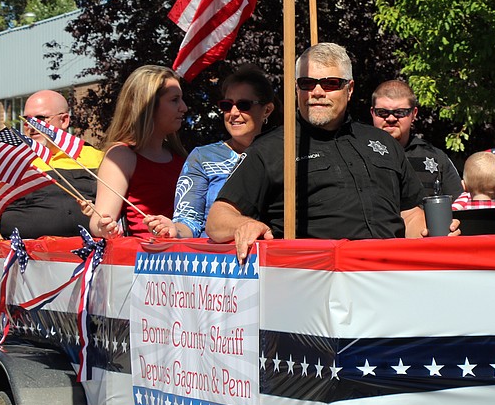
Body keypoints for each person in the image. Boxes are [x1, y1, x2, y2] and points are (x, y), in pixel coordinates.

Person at [207, 42, 446, 259]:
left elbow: (410, 214)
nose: (317, 92)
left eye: (331, 83)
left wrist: (428, 234)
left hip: (389, 277)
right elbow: (218, 219)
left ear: (349, 89)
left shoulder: (384, 142)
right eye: (307, 84)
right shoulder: (270, 148)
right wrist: (244, 225)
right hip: (315, 282)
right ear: (296, 89)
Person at [0, 90, 105, 249]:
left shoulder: (98, 158)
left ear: (64, 120)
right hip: (26, 262)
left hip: (91, 259)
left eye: (39, 119)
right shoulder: (9, 162)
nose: (31, 126)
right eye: (26, 121)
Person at [166, 66, 276, 239]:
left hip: (272, 259)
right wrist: (173, 230)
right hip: (217, 262)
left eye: (243, 105)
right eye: (227, 105)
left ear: (267, 110)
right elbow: (188, 221)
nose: (233, 113)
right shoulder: (202, 157)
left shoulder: (284, 155)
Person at [85, 66, 188, 238]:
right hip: (145, 259)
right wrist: (104, 227)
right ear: (147, 105)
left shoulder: (180, 157)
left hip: (187, 258)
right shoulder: (121, 156)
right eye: (174, 100)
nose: (183, 107)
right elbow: (100, 220)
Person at [369, 79, 462, 198]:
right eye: (382, 112)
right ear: (372, 113)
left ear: (414, 114)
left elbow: (458, 205)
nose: (391, 118)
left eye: (400, 112)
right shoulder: (355, 154)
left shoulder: (437, 159)